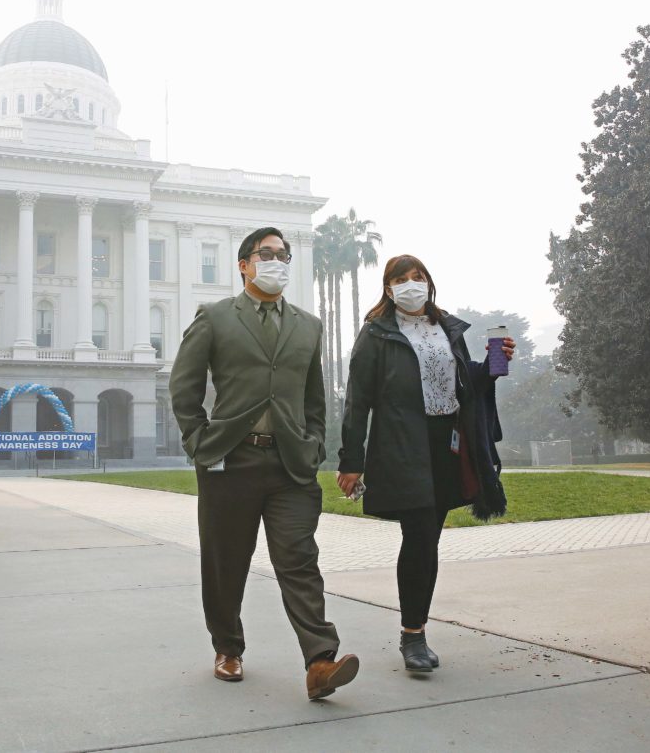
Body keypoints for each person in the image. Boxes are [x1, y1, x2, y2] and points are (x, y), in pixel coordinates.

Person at [170, 226, 359, 701]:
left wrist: (313, 443)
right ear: (244, 265)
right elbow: (183, 387)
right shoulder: (214, 317)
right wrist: (199, 442)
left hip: (290, 465)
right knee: (226, 563)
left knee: (299, 558)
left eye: (283, 254)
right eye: (267, 253)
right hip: (230, 461)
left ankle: (320, 661)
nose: (277, 261)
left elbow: (314, 399)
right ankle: (227, 647)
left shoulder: (308, 326)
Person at [336, 254, 514, 674]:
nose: (410, 284)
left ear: (429, 282)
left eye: (417, 277)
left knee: (428, 538)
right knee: (417, 536)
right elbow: (358, 401)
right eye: (401, 279)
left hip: (446, 445)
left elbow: (463, 381)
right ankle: (413, 635)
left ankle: (415, 627)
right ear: (388, 288)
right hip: (402, 444)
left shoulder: (446, 327)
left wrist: (494, 365)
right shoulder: (377, 333)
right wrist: (351, 460)